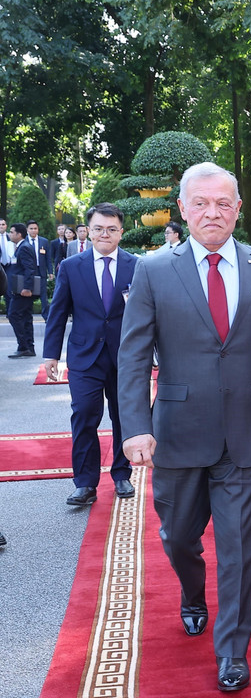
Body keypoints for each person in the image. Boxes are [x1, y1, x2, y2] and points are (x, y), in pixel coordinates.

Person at [118, 162, 251, 694]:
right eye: (200, 203)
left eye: (223, 203)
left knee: (241, 548)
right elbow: (132, 358)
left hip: (244, 433)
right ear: (182, 208)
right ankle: (192, 593)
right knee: (178, 537)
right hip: (175, 430)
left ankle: (232, 652)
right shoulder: (154, 270)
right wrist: (135, 426)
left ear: (238, 209)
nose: (212, 213)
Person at [43, 204, 137, 505]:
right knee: (84, 414)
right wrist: (51, 355)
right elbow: (58, 313)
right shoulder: (72, 266)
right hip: (85, 356)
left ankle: (122, 475)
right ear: (88, 231)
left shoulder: (137, 266)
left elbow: (151, 314)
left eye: (111, 229)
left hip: (125, 356)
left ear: (121, 232)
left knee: (124, 417)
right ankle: (85, 483)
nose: (104, 234)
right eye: (98, 228)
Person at [7, 223, 37, 358]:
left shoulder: (24, 248)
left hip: (23, 290)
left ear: (19, 234)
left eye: (12, 232)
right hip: (21, 289)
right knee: (25, 317)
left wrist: (27, 287)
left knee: (13, 314)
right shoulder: (22, 246)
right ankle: (29, 347)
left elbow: (29, 268)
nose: (9, 234)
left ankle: (24, 345)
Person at [25, 220, 52, 319]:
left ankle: (46, 316)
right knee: (28, 295)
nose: (33, 231)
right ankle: (28, 316)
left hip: (41, 271)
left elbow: (48, 258)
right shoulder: (24, 241)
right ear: (27, 230)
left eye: (35, 228)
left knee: (43, 296)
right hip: (28, 272)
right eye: (31, 229)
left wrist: (50, 272)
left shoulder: (43, 241)